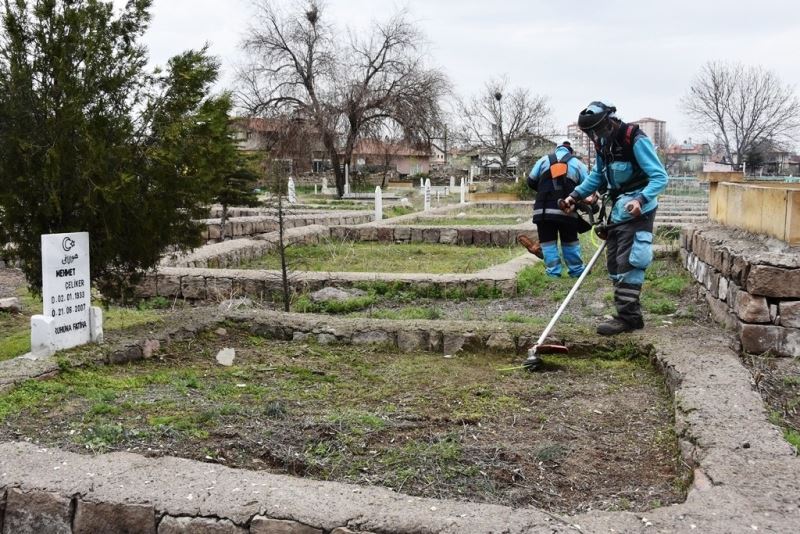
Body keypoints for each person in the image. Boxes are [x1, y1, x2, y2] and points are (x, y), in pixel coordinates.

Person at [561, 101, 669, 335]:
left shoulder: (635, 139)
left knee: (630, 260)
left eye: (596, 130)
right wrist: (574, 195)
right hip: (618, 209)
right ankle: (626, 313)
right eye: (590, 133)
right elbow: (597, 177)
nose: (594, 136)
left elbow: (660, 177)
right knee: (614, 262)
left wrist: (640, 199)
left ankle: (629, 318)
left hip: (637, 211)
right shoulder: (603, 145)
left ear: (608, 122)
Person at [525, 140, 592, 278]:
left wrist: (544, 191)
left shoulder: (543, 160)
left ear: (556, 150)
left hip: (543, 211)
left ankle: (553, 272)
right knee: (570, 241)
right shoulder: (578, 164)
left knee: (548, 241)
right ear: (571, 152)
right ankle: (577, 271)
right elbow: (588, 186)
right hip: (567, 210)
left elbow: (531, 181)